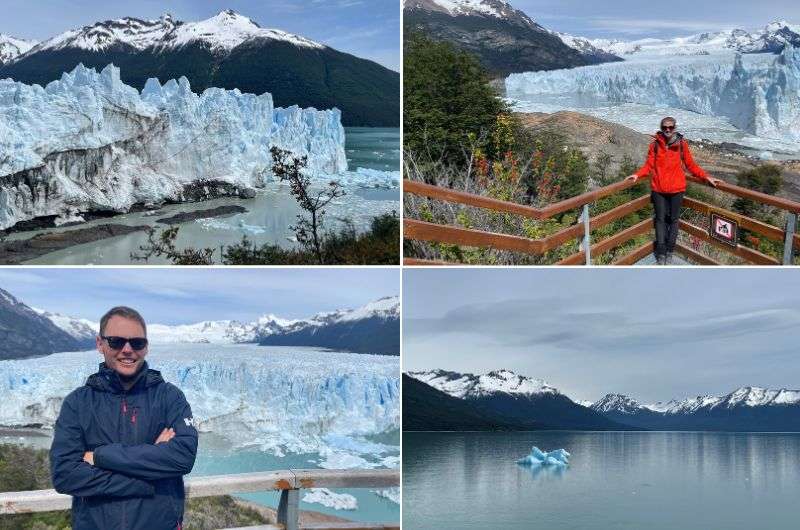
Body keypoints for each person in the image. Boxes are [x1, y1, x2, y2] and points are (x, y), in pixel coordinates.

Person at [50, 306, 198, 530]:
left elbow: (182, 457)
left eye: (137, 343)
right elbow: (66, 475)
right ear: (100, 344)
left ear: (146, 347)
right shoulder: (78, 403)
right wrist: (148, 477)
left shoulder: (169, 397)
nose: (127, 349)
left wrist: (100, 456)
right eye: (116, 342)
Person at [626, 117, 720, 265]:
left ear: (674, 128)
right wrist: (637, 175)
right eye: (665, 127)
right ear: (661, 128)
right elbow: (649, 166)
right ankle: (661, 253)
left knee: (674, 221)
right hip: (659, 190)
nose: (667, 130)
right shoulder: (655, 145)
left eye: (670, 127)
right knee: (660, 221)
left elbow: (691, 165)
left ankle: (670, 251)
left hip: (677, 190)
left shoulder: (682, 145)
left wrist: (706, 177)